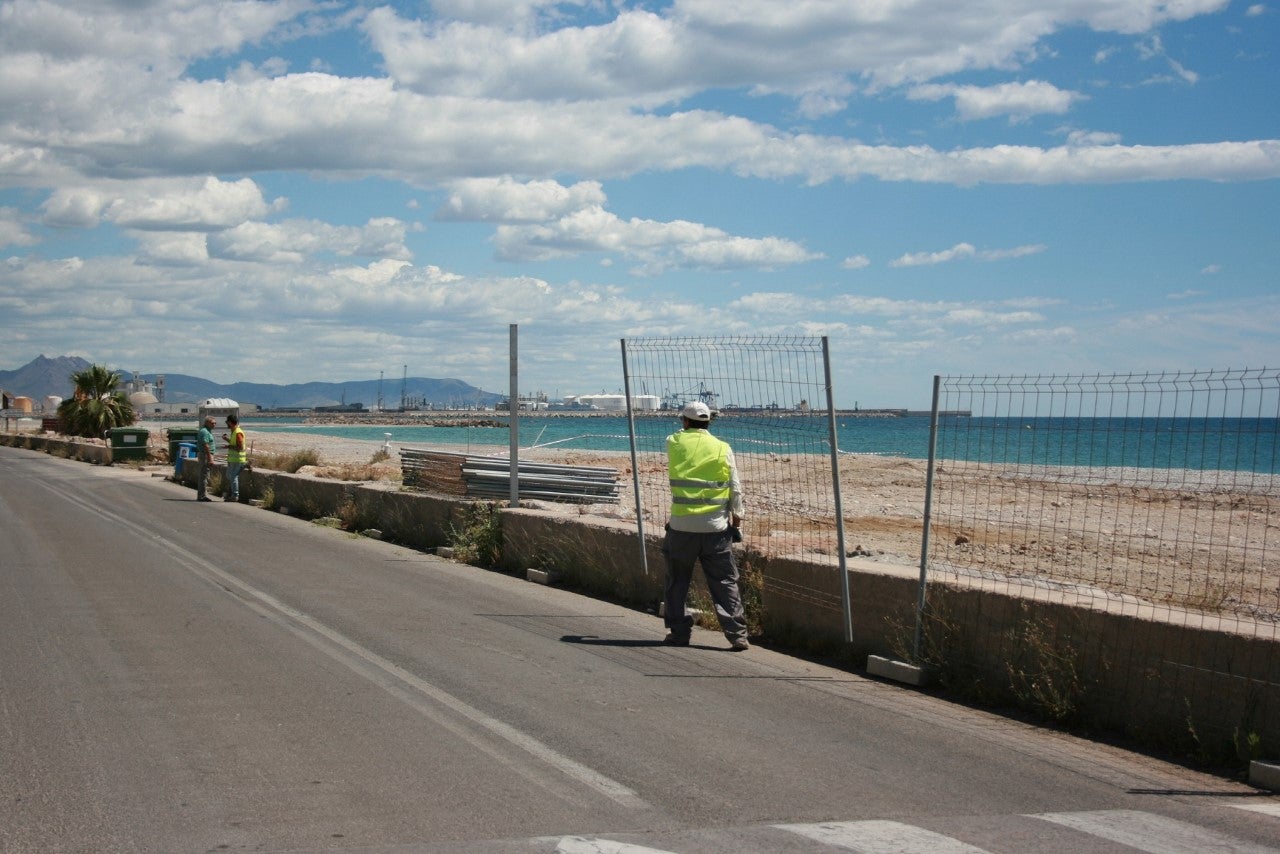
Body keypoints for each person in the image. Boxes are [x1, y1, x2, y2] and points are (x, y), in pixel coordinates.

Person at [661, 400, 750, 651]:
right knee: (724, 582)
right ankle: (737, 635)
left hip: (681, 527)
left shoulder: (674, 442)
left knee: (677, 581)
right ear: (710, 422)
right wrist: (736, 521)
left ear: (685, 421)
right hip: (716, 529)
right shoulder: (723, 448)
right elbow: (735, 488)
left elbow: (679, 435)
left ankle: (679, 633)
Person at [221, 413, 247, 502]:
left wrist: (229, 446)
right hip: (233, 459)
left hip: (237, 459)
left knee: (233, 477)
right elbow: (234, 444)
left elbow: (240, 447)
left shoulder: (238, 432)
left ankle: (235, 495)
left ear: (230, 422)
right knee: (229, 475)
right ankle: (233, 493)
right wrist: (226, 439)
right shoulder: (234, 431)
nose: (226, 424)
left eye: (227, 422)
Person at [195, 415, 216, 502]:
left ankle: (202, 495)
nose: (214, 425)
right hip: (205, 455)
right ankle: (202, 496)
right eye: (212, 423)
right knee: (204, 476)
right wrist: (210, 458)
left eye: (215, 423)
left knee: (205, 475)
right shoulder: (205, 432)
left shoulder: (207, 431)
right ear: (207, 423)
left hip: (206, 455)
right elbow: (206, 445)